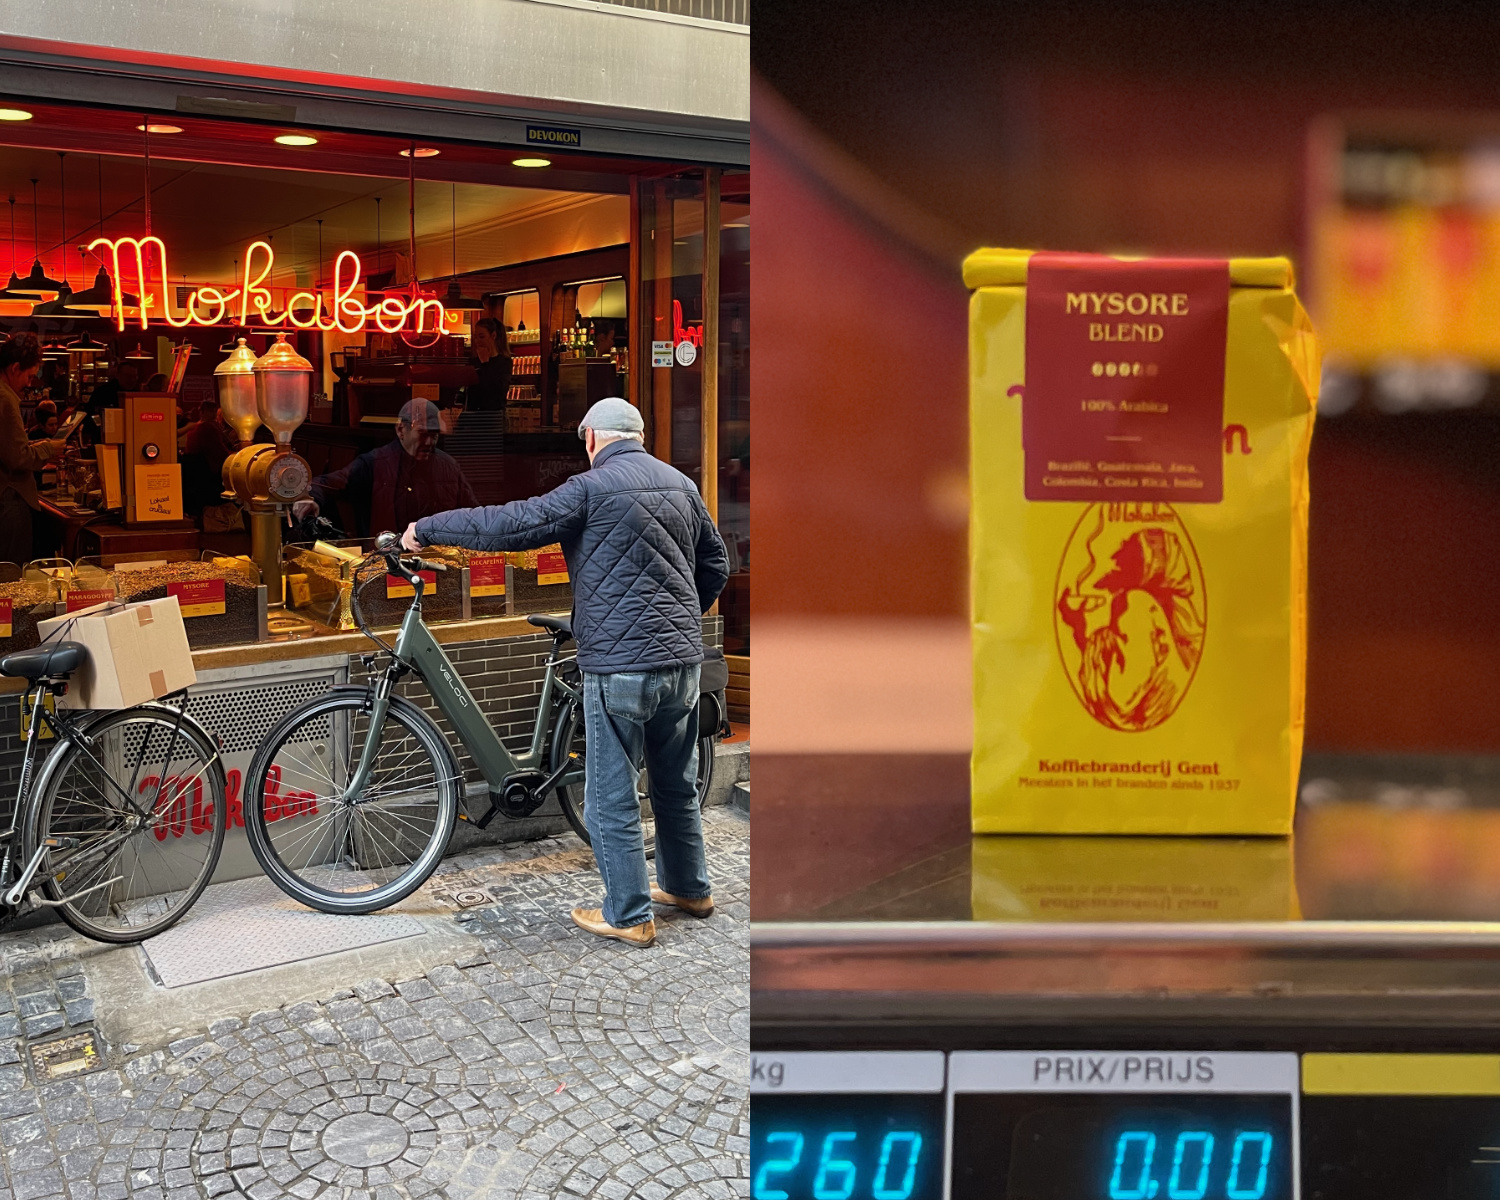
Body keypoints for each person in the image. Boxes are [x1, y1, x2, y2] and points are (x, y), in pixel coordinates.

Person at [406, 397, 730, 948]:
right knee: (675, 784)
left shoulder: (591, 487)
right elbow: (717, 562)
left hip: (621, 668)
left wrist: (427, 527)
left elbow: (510, 525)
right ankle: (689, 888)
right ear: (640, 436)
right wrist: (673, 622)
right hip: (682, 664)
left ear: (591, 439)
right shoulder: (682, 484)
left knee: (610, 795)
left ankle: (629, 914)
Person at [298, 397, 478, 536]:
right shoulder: (373, 464)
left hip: (438, 557)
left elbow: (472, 513)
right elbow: (327, 483)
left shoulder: (448, 466)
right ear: (401, 430)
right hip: (386, 558)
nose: (430, 442)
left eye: (435, 435)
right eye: (423, 433)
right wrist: (311, 498)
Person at [0, 335, 68, 564]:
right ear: (14, 368)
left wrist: (35, 446)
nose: (29, 383)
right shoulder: (5, 398)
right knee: (11, 573)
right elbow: (17, 457)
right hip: (9, 497)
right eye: (29, 376)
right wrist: (50, 447)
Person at [467, 317, 512, 410]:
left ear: (493, 335)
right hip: (473, 417)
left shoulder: (503, 362)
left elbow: (496, 393)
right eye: (476, 337)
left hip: (493, 417)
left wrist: (485, 363)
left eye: (482, 337)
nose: (477, 341)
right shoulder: (473, 362)